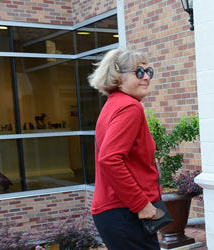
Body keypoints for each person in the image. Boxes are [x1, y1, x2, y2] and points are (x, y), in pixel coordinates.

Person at [88, 49, 161, 250]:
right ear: (118, 77)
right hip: (126, 212)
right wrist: (141, 204)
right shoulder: (130, 107)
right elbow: (110, 159)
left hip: (117, 212)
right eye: (139, 72)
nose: (146, 77)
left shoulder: (113, 105)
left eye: (149, 71)